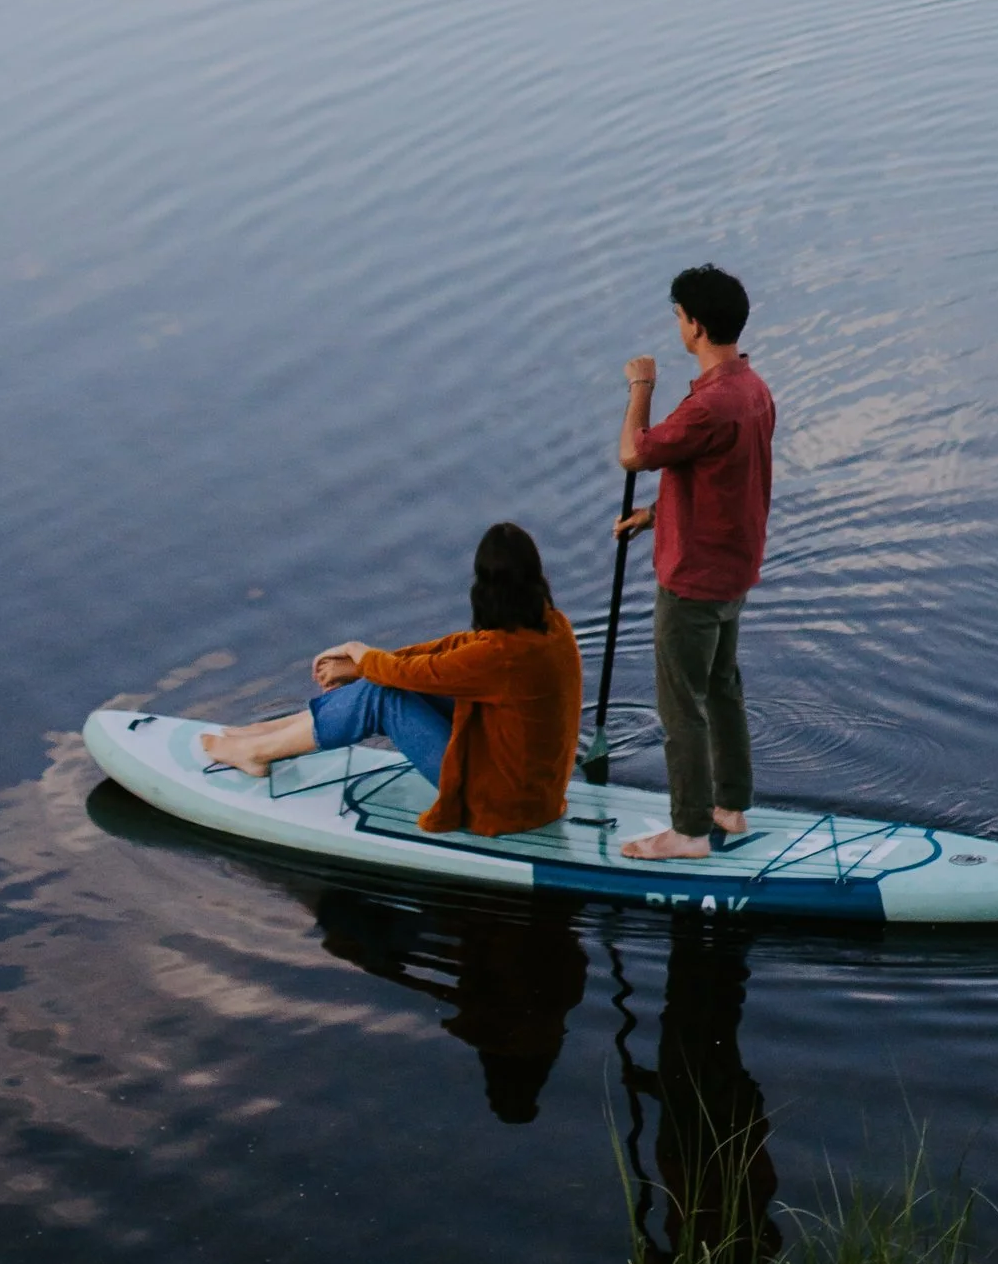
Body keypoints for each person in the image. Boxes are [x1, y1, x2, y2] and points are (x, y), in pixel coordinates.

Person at [200, 522, 582, 836]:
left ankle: (256, 752)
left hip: (503, 805)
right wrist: (364, 665)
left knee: (385, 697)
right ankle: (269, 735)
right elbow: (451, 651)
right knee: (388, 683)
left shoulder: (502, 655)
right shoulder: (551, 626)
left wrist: (356, 651)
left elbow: (414, 672)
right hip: (537, 793)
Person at [616, 263, 774, 862]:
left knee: (681, 702)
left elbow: (634, 453)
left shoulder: (707, 404)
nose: (678, 327)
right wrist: (658, 514)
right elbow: (725, 477)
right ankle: (730, 806)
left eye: (679, 317)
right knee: (722, 687)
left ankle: (687, 832)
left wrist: (641, 387)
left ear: (697, 327)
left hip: (692, 579)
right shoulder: (752, 389)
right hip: (734, 569)